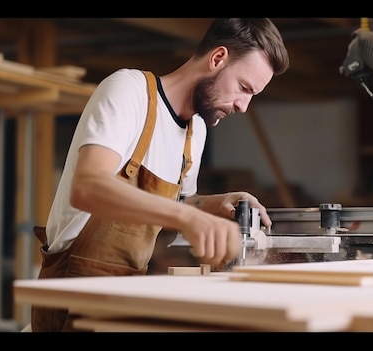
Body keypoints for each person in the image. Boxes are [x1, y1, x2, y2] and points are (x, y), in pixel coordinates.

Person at [30, 18, 290, 332]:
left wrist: (212, 204)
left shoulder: (196, 131)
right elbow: (88, 187)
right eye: (243, 88)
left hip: (126, 292)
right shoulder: (130, 91)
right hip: (73, 293)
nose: (243, 106)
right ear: (217, 58)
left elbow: (175, 204)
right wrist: (188, 217)